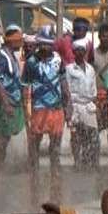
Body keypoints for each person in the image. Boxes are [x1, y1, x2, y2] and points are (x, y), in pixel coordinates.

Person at [23, 27, 70, 171]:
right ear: (38, 44)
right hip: (38, 108)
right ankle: (34, 171)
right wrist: (26, 108)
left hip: (56, 108)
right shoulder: (31, 62)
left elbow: (63, 82)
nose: (45, 47)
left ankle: (55, 171)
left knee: (55, 144)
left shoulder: (58, 59)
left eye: (48, 44)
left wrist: (67, 104)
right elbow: (25, 85)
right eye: (42, 44)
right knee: (35, 142)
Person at [0, 24, 25, 168]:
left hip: (10, 102)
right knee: (0, 137)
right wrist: (5, 104)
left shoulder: (11, 56)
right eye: (19, 39)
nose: (21, 42)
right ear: (11, 40)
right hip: (2, 104)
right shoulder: (2, 58)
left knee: (5, 137)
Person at [66, 41, 99, 169]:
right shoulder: (69, 69)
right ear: (73, 52)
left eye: (82, 50)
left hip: (88, 105)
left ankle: (89, 160)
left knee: (92, 135)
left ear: (85, 52)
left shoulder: (91, 69)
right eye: (77, 50)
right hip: (75, 105)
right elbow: (66, 88)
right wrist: (68, 108)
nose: (80, 52)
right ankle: (77, 161)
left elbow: (93, 88)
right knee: (76, 136)